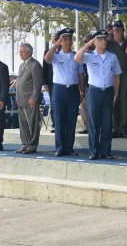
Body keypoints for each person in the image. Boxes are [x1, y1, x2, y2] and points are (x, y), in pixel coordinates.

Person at [75, 30, 121, 160]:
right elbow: (77, 58)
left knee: (107, 123)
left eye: (105, 39)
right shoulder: (89, 56)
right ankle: (94, 151)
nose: (104, 41)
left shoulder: (112, 56)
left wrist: (116, 92)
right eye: (100, 39)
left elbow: (117, 76)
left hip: (108, 91)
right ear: (95, 42)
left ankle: (106, 151)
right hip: (95, 91)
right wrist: (88, 43)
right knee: (94, 123)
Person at [44, 29, 85, 157]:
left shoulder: (76, 56)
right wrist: (57, 44)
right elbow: (47, 59)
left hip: (72, 89)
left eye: (69, 39)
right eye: (65, 39)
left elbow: (81, 75)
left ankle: (69, 147)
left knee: (71, 119)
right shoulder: (56, 55)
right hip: (59, 89)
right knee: (59, 119)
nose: (68, 42)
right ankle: (60, 147)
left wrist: (82, 91)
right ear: (61, 41)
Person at [15, 43, 43, 154]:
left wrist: (34, 98)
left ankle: (32, 145)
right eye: (20, 52)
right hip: (21, 100)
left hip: (30, 100)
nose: (20, 54)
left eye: (22, 52)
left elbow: (37, 84)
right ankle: (25, 144)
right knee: (23, 124)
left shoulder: (35, 65)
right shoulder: (22, 65)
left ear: (29, 52)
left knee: (33, 124)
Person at [78, 34, 94, 134]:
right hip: (85, 86)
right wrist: (81, 89)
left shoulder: (97, 54)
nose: (86, 43)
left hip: (95, 86)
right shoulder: (82, 55)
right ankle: (87, 127)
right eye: (84, 41)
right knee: (84, 108)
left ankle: (95, 127)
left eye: (88, 41)